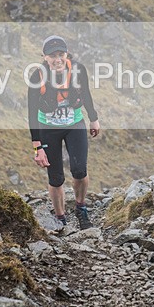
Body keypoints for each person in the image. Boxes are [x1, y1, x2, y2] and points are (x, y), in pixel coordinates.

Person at [28, 35, 101, 229]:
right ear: (44, 57)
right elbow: (32, 112)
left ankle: (81, 207)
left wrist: (93, 118)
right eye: (52, 55)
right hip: (48, 129)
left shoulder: (78, 70)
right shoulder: (38, 77)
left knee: (79, 170)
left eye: (61, 54)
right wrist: (37, 147)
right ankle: (60, 219)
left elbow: (85, 94)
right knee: (56, 177)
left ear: (66, 54)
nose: (57, 59)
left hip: (74, 124)